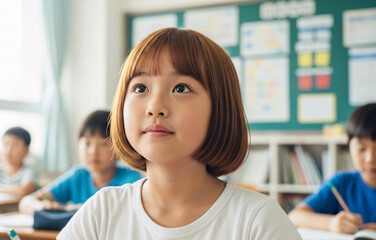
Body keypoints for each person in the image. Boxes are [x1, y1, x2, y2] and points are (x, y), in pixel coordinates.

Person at [58, 28, 302, 239]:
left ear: (220, 108)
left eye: (181, 88)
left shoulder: (257, 220)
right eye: (140, 87)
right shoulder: (102, 211)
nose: (155, 107)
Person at [19, 110, 142, 215]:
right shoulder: (78, 175)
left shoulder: (131, 179)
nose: (93, 152)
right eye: (87, 143)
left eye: (103, 144)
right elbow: (26, 202)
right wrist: (42, 207)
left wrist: (78, 209)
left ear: (120, 148)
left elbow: (125, 213)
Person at [289, 103, 376, 234]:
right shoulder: (342, 183)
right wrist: (331, 223)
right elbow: (294, 217)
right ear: (349, 148)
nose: (370, 158)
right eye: (361, 149)